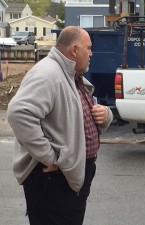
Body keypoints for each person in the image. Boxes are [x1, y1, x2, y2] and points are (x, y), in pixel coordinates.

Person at [7, 26, 113, 225]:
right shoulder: (48, 74)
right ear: (74, 50)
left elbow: (76, 113)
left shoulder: (70, 73)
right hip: (53, 178)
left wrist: (105, 115)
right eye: (88, 48)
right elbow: (18, 113)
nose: (91, 53)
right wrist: (50, 157)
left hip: (67, 174)